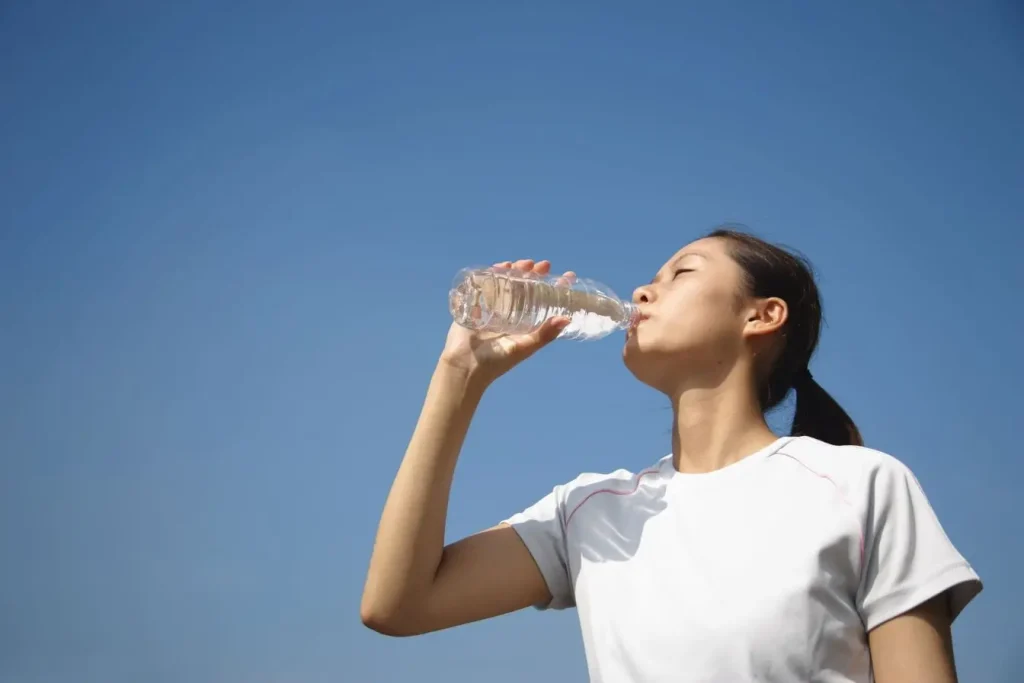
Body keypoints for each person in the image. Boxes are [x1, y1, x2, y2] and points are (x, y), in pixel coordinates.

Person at [360, 229, 982, 682]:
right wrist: (458, 375)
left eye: (680, 273)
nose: (641, 291)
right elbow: (397, 604)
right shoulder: (588, 512)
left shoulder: (859, 485)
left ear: (762, 316)